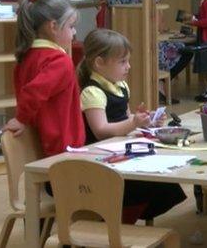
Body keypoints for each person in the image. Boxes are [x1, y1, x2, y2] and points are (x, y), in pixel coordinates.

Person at [77, 29, 186, 223]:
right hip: (99, 159)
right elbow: (101, 131)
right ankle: (117, 225)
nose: (128, 66)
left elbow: (125, 118)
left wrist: (146, 122)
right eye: (122, 62)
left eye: (128, 60)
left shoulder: (120, 86)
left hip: (120, 152)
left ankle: (124, 223)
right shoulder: (92, 92)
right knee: (147, 185)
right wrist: (132, 123)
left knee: (163, 180)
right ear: (99, 63)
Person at [3, 0, 85, 158]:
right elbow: (33, 92)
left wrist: (22, 118)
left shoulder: (27, 57)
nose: (74, 32)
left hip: (41, 147)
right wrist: (20, 118)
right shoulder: (59, 61)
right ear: (53, 26)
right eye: (71, 26)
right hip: (62, 148)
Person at [108, 0, 190, 103]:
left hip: (121, 43)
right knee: (185, 49)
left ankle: (157, 86)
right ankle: (159, 85)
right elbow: (159, 26)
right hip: (148, 44)